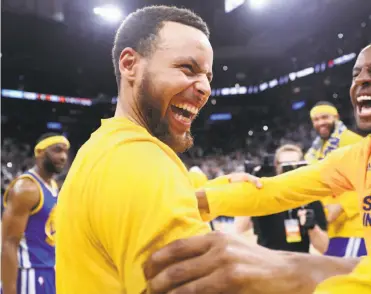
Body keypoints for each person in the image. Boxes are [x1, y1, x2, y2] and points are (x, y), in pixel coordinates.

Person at [146, 39, 371, 293]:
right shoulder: (358, 155)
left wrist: (309, 269)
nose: (362, 81)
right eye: (356, 74)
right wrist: (193, 201)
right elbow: (276, 190)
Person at [55, 5, 214, 293]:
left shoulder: (99, 148)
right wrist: (306, 274)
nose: (204, 88)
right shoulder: (143, 160)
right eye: (187, 68)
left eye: (208, 77)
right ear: (129, 64)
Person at [145, 216, 371, 294]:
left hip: (305, 272)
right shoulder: (264, 197)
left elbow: (325, 247)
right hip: (264, 271)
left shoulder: (312, 203)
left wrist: (306, 268)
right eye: (283, 163)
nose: (287, 167)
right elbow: (240, 230)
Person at [1, 133, 70, 294]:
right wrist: (9, 290)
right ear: (40, 153)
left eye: (66, 151)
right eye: (57, 150)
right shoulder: (26, 189)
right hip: (29, 273)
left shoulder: (53, 185)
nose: (63, 157)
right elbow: (8, 244)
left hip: (49, 271)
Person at [236, 144, 329, 254]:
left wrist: (313, 227)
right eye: (285, 165)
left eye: (294, 165)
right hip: (267, 263)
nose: (289, 170)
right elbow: (239, 228)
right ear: (276, 166)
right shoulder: (264, 196)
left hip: (299, 264)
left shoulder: (311, 199)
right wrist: (249, 189)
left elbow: (324, 248)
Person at [306, 101, 366, 257]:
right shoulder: (314, 151)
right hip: (332, 228)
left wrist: (343, 206)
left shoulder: (353, 142)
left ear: (336, 117)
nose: (320, 123)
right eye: (316, 120)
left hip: (355, 226)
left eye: (325, 117)